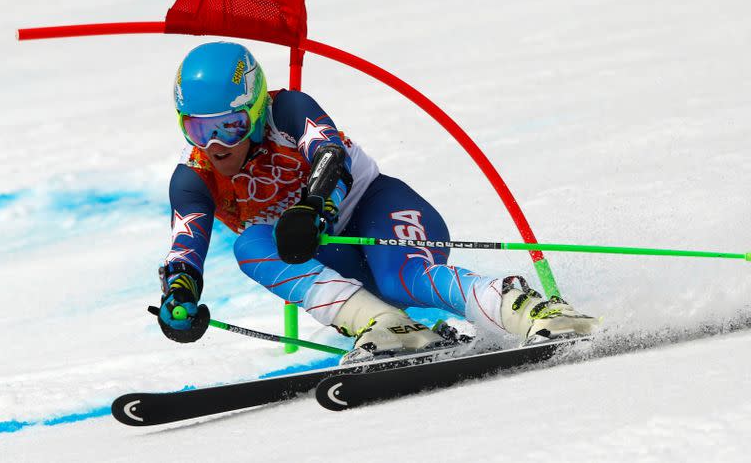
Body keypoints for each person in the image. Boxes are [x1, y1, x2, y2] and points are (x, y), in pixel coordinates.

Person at [156, 41, 599, 361]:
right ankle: (386, 326)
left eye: (229, 127)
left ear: (254, 113)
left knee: (401, 279)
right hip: (325, 251)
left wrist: (314, 207)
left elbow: (331, 156)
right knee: (250, 246)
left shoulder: (287, 111)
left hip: (377, 209)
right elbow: (186, 245)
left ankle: (534, 311)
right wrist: (180, 293)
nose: (215, 145)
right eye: (197, 129)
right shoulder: (193, 176)